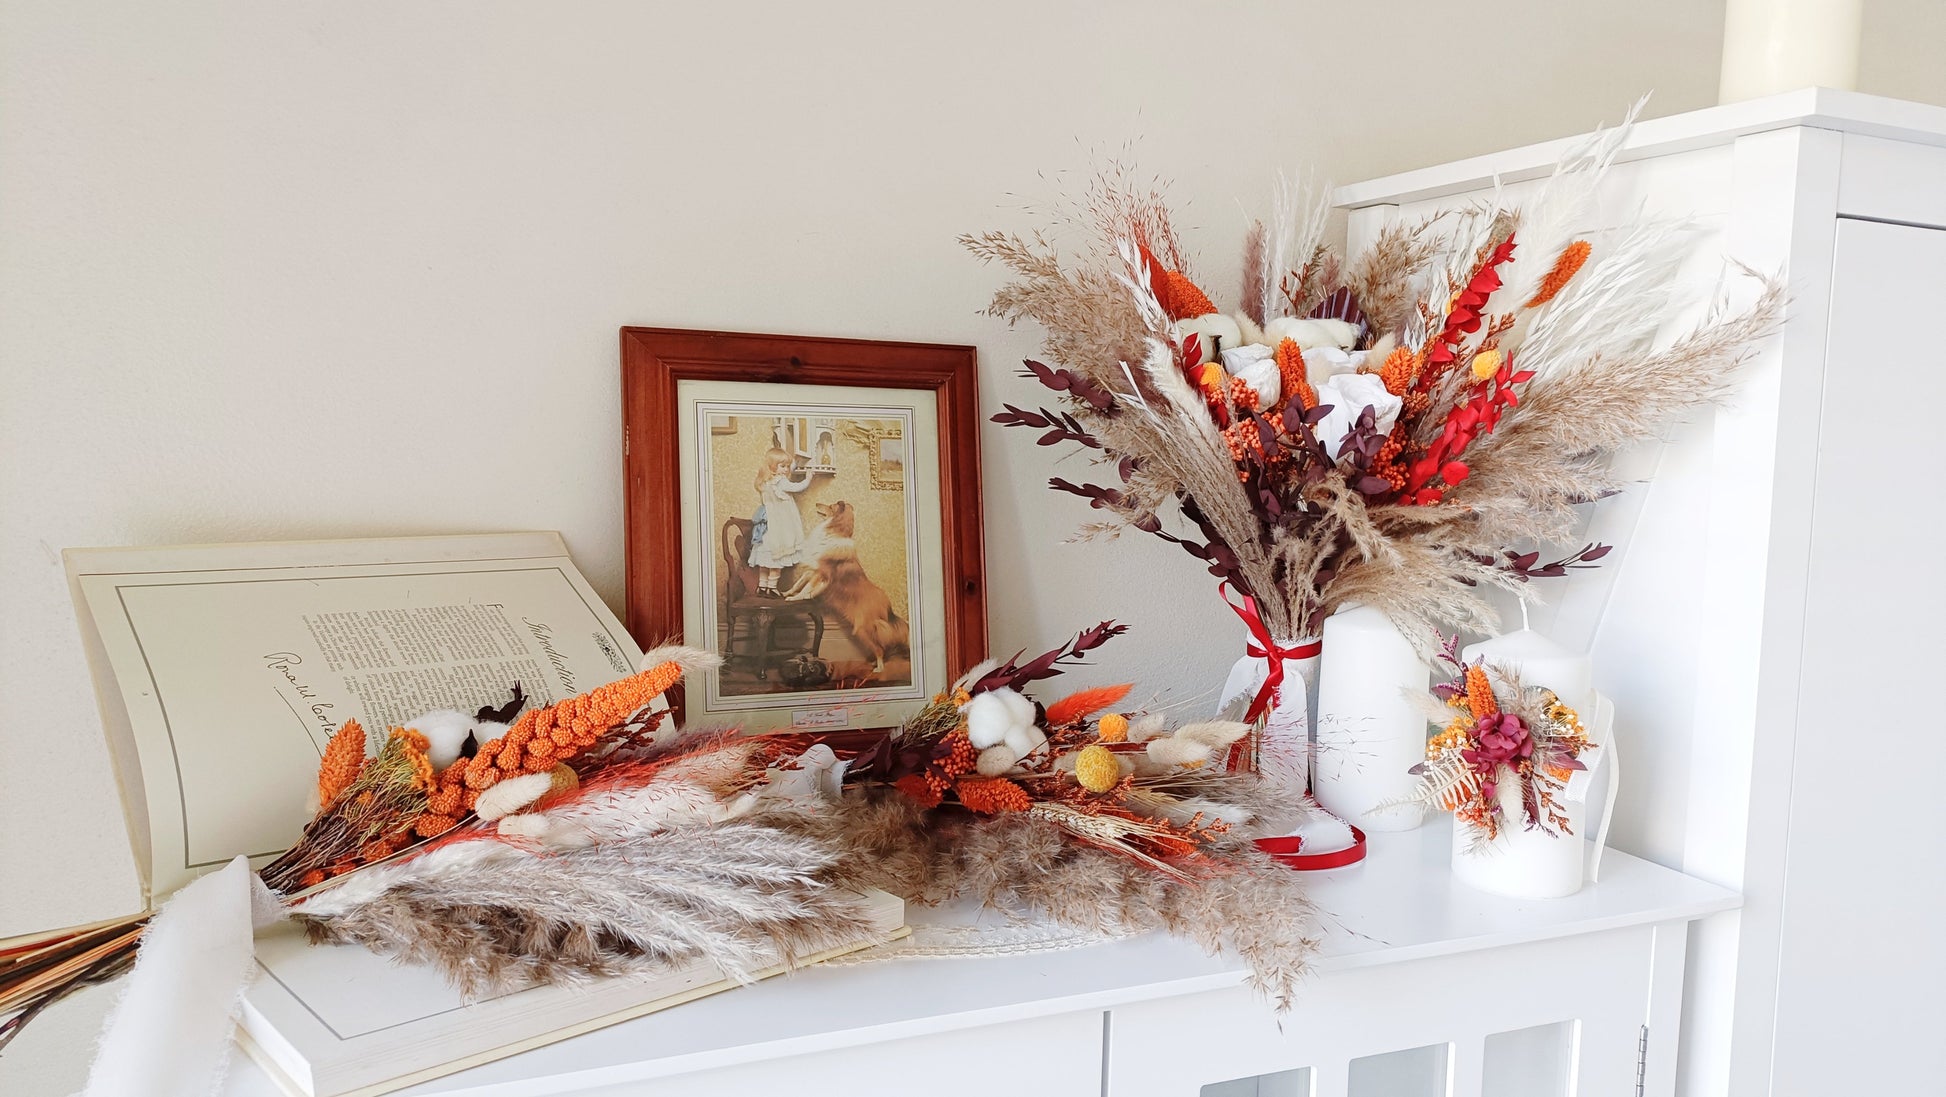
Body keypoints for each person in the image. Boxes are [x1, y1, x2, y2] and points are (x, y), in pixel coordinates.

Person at [747, 447, 811, 596]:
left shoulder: (766, 482)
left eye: (787, 466)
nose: (786, 469)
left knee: (766, 558)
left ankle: (762, 588)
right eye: (783, 466)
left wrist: (793, 462)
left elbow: (785, 471)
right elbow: (797, 487)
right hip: (781, 525)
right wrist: (808, 478)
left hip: (769, 526)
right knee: (777, 558)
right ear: (772, 467)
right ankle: (772, 588)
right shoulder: (781, 482)